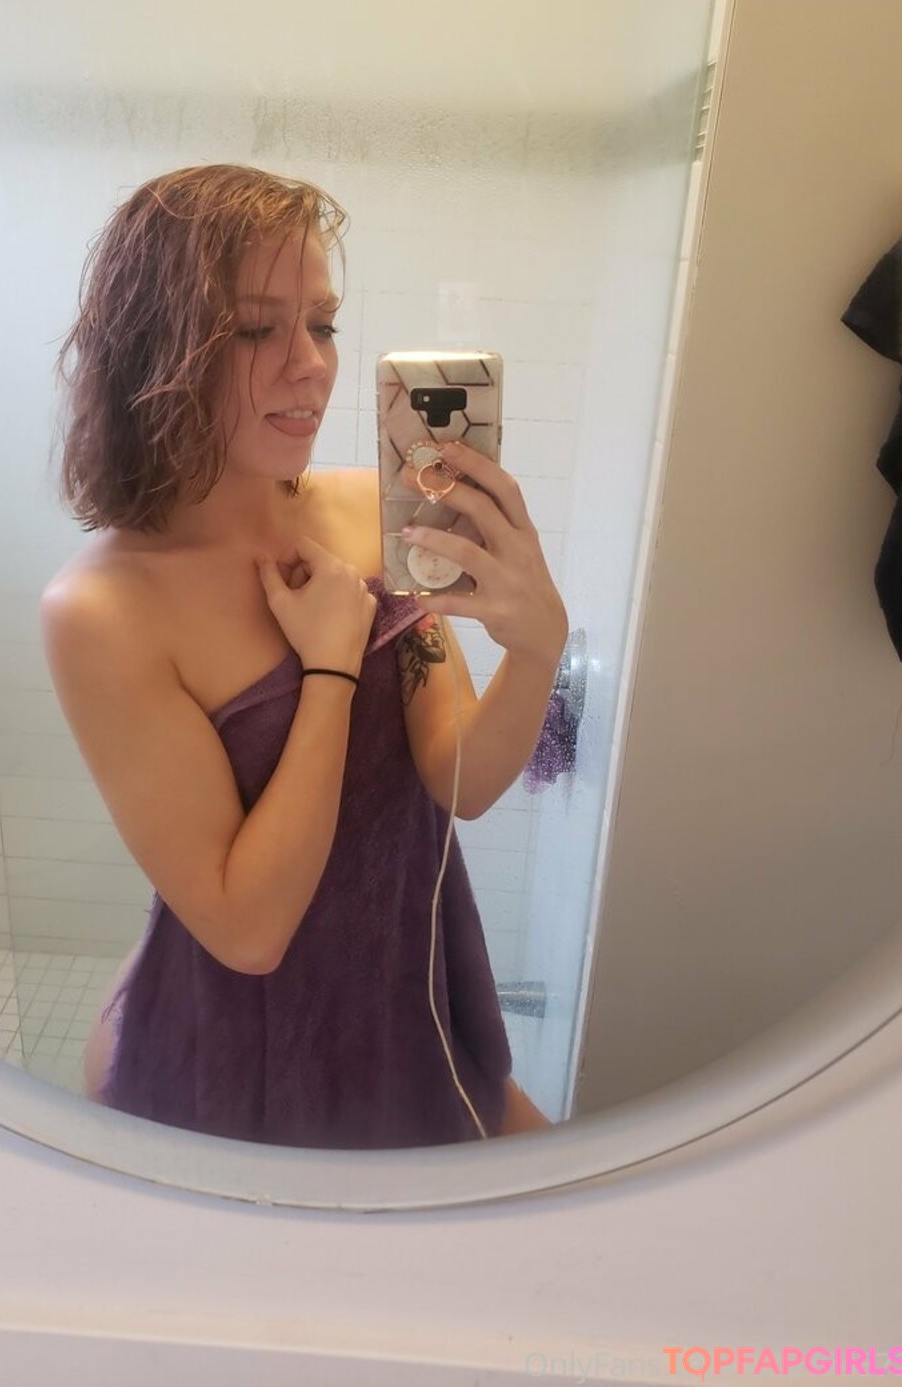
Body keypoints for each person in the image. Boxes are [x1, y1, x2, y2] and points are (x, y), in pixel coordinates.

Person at [41, 164, 567, 1149]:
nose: (312, 365)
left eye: (321, 324)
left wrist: (536, 648)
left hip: (405, 999)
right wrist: (331, 670)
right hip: (240, 1046)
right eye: (256, 330)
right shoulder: (104, 610)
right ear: (159, 347)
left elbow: (458, 774)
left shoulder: (372, 511)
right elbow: (248, 929)